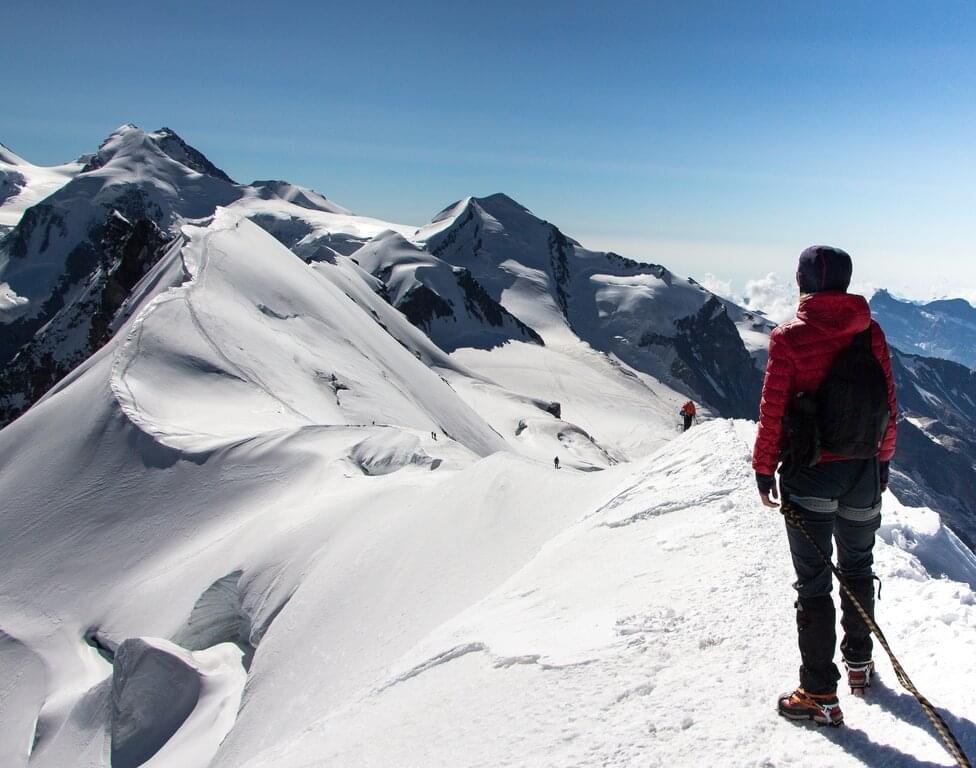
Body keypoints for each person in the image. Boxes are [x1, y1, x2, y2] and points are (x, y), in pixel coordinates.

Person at [753, 246, 897, 726]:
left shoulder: (788, 338)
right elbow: (887, 403)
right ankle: (860, 666)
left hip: (809, 474)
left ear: (802, 282)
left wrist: (762, 466)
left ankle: (818, 694)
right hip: (861, 472)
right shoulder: (869, 332)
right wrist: (883, 460)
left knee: (814, 583)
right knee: (858, 566)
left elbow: (774, 408)